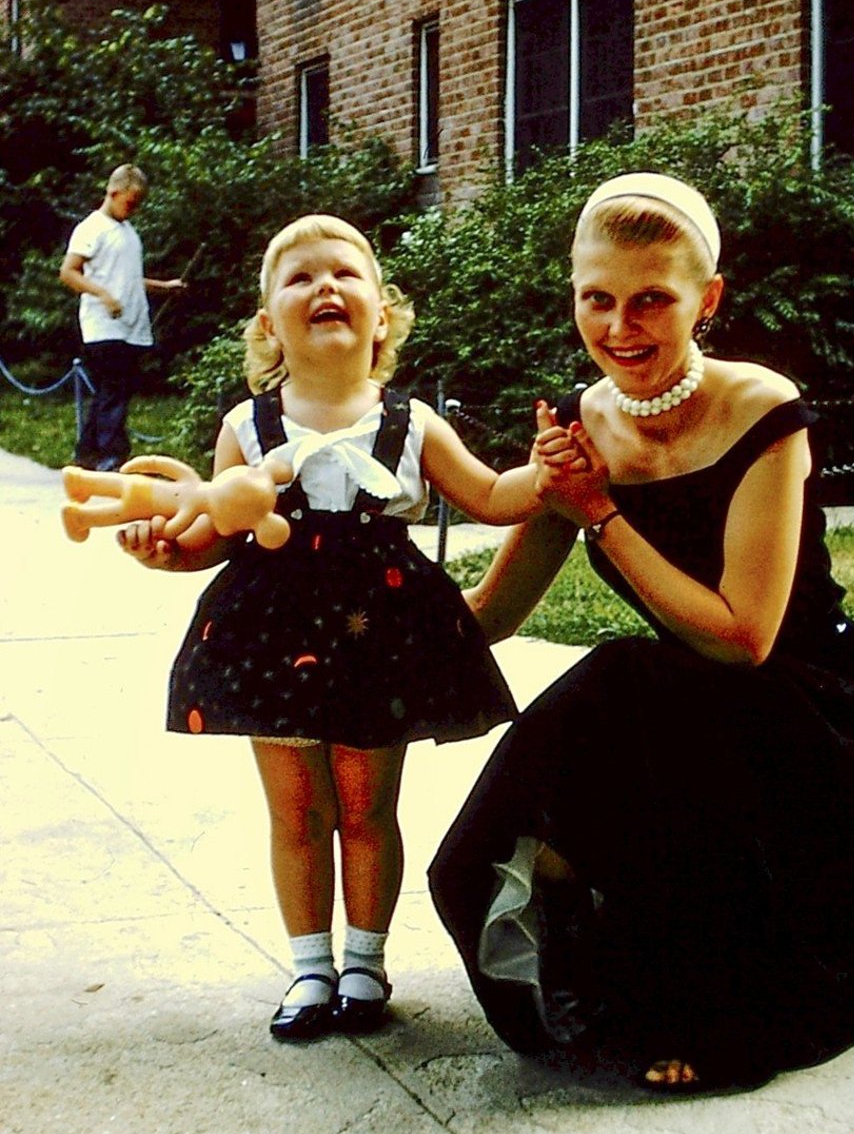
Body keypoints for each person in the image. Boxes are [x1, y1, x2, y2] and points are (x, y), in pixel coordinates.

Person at [428, 172, 854, 1096]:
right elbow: (493, 606)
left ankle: (726, 996)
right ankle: (581, 915)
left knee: (625, 674)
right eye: (596, 300)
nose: (620, 327)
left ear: (707, 300)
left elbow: (742, 639)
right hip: (679, 711)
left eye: (652, 299)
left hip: (808, 706)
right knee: (624, 694)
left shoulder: (762, 408)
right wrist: (352, 639)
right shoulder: (583, 414)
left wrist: (599, 511)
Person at [117, 213, 568, 1043]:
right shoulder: (246, 428)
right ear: (268, 326)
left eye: (346, 273)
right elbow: (214, 532)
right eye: (300, 278)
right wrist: (162, 550)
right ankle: (309, 967)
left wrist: (545, 471)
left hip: (380, 638)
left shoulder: (414, 422)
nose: (325, 286)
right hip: (269, 639)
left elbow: (492, 496)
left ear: (382, 315)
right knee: (296, 811)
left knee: (367, 807)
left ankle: (365, 962)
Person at [60, 163, 186, 471]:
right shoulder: (92, 228)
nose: (133, 210)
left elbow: (128, 279)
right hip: (103, 325)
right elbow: (68, 272)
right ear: (113, 192)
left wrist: (163, 286)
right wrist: (103, 295)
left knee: (111, 390)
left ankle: (86, 454)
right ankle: (112, 457)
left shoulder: (128, 232)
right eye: (129, 203)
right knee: (114, 389)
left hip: (131, 325)